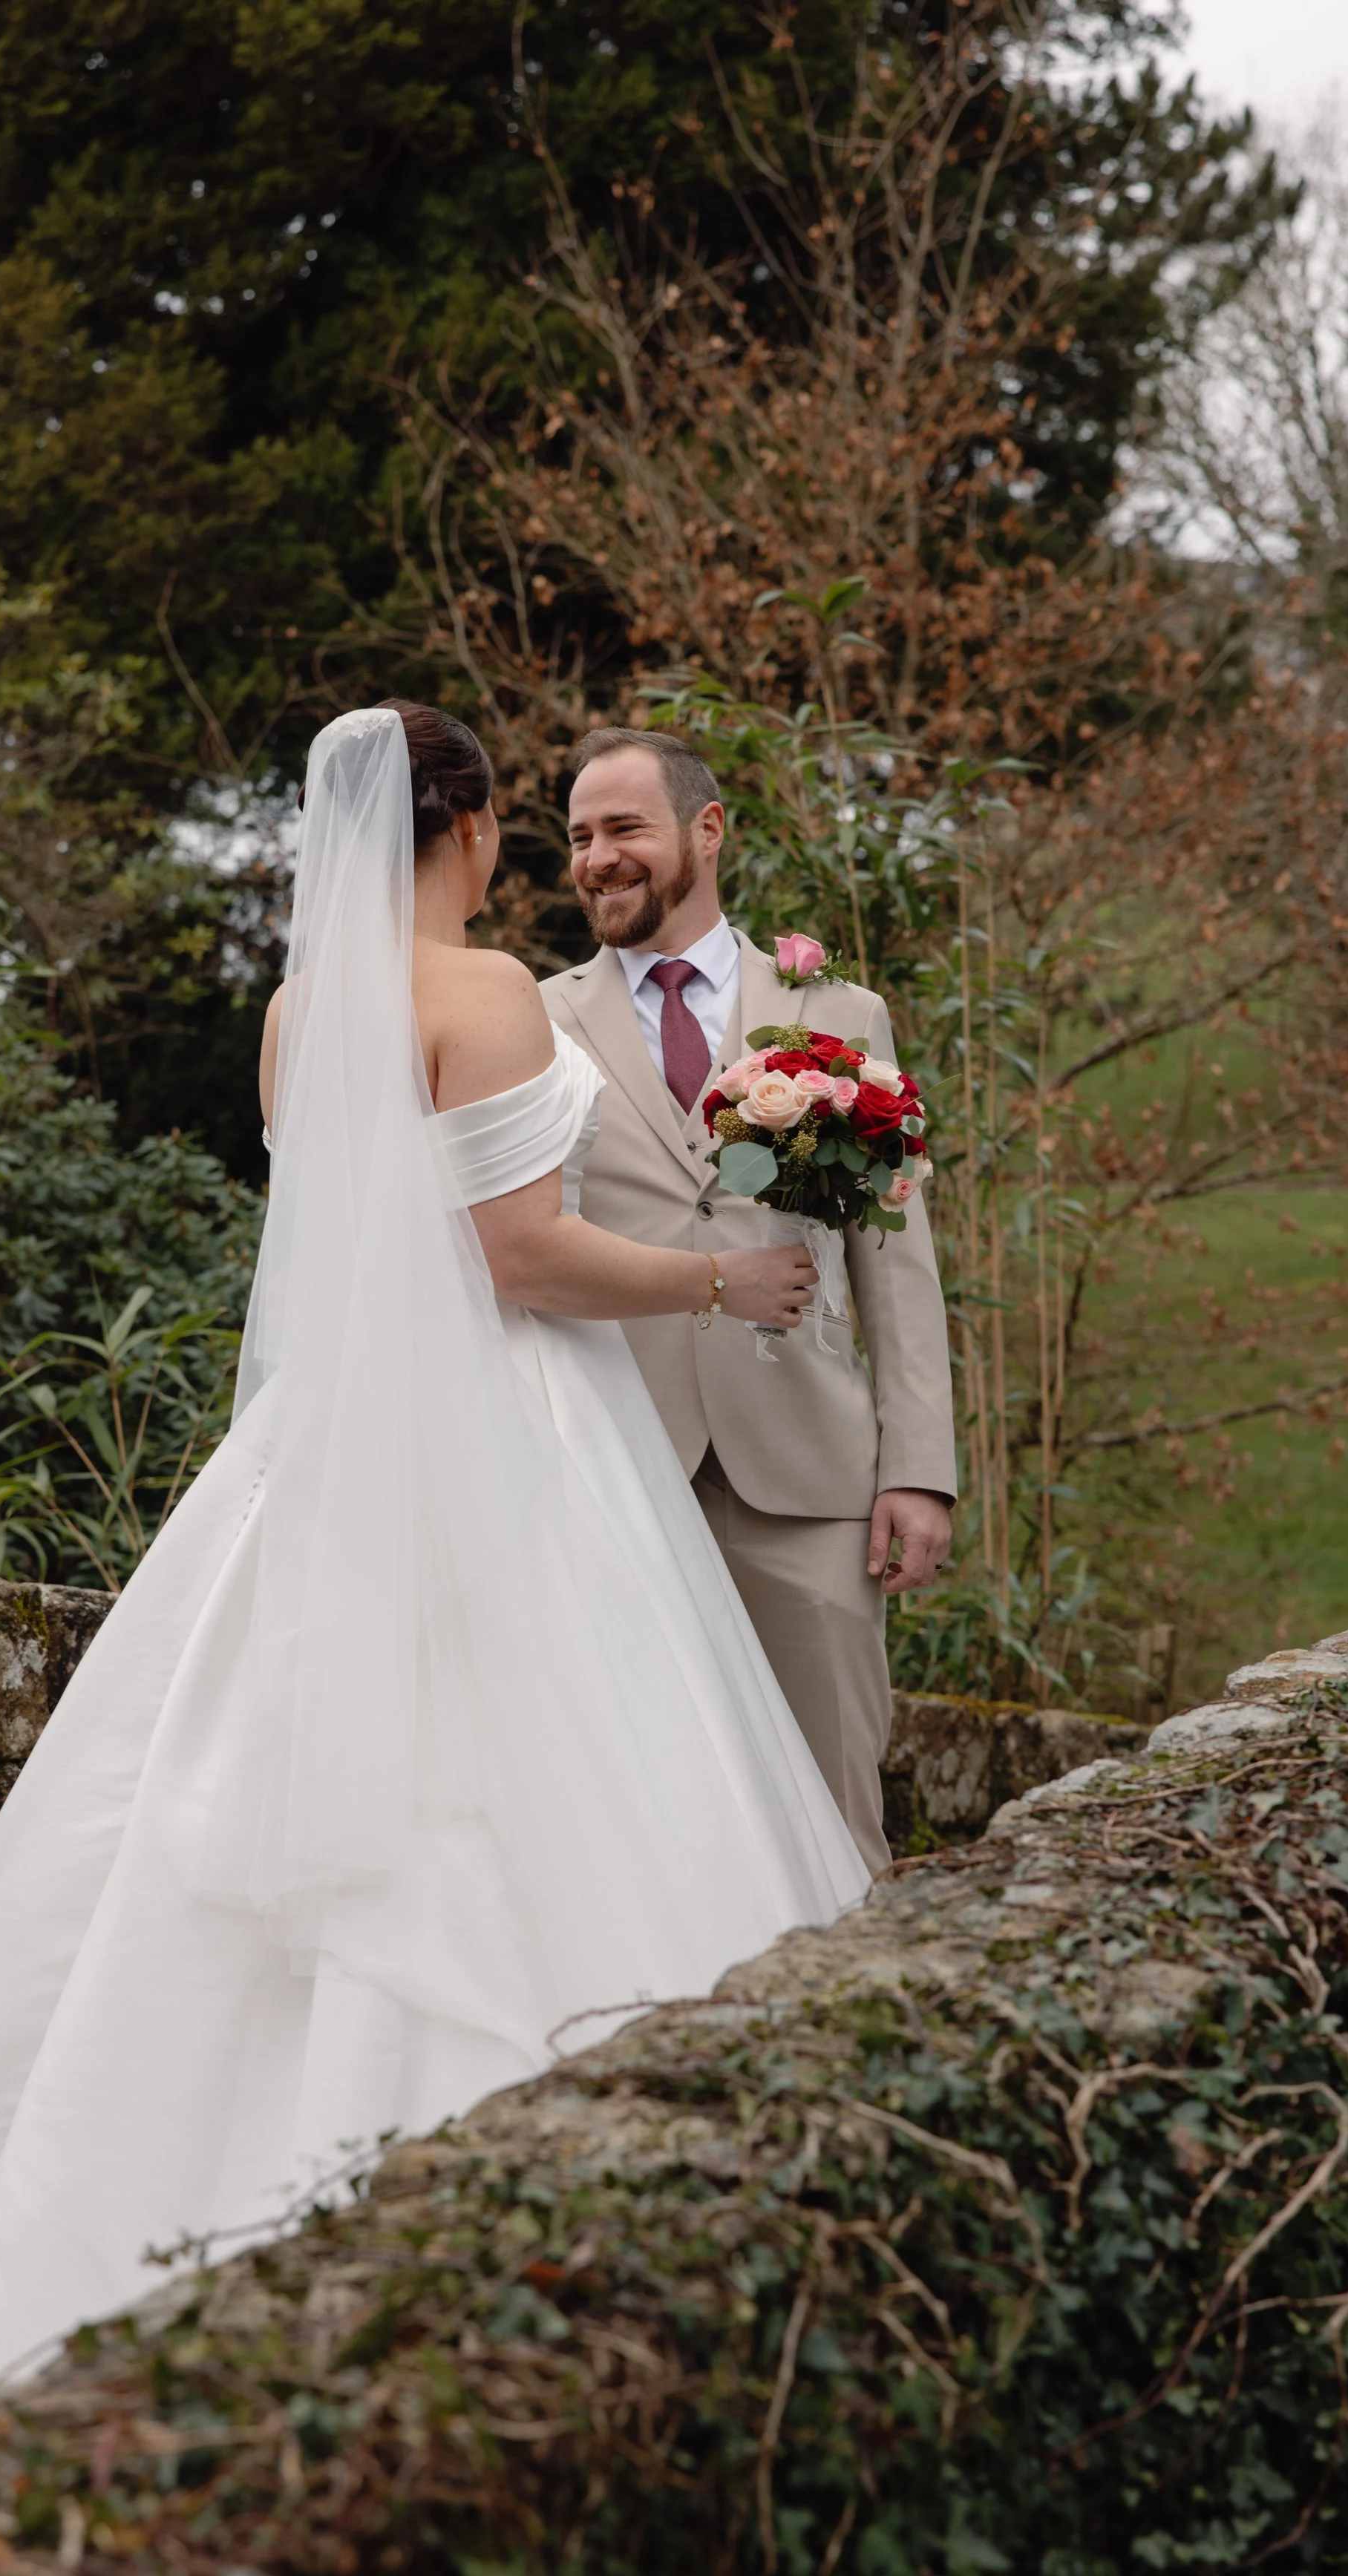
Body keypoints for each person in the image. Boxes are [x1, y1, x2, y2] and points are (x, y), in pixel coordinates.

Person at [0, 705, 866, 2534]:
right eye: (500, 824)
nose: (509, 855)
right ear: (457, 824)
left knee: (250, 1795)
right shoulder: (486, 991)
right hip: (517, 1443)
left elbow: (369, 1252)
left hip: (324, 1459)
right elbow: (513, 1260)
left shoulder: (300, 1018)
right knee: (535, 1781)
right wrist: (717, 1275)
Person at [543, 727, 958, 1876]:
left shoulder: (838, 1011)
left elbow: (899, 1259)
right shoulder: (536, 1023)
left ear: (707, 830)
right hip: (616, 1470)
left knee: (834, 1820)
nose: (597, 858)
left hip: (810, 1476)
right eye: (579, 837)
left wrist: (919, 1469)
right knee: (631, 1824)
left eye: (625, 828)